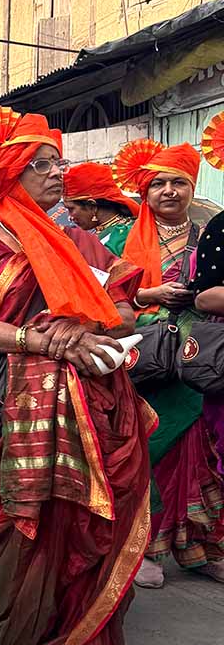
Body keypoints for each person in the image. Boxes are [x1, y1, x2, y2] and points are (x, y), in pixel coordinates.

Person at [0, 106, 149, 645]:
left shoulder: (82, 241)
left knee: (96, 533)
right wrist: (45, 341)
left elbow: (126, 308)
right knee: (20, 532)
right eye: (40, 166)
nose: (56, 173)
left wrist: (91, 323)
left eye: (57, 162)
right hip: (20, 412)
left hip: (97, 405)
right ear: (9, 174)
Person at [107, 139, 224, 588]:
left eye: (179, 182)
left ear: (193, 187)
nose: (170, 191)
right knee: (146, 452)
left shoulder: (209, 231)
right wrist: (146, 296)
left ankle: (200, 547)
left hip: (200, 357)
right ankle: (147, 550)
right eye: (159, 183)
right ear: (144, 191)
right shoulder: (117, 238)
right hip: (140, 355)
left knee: (201, 455)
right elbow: (99, 294)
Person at [62, 162, 139, 249]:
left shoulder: (124, 237)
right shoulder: (104, 233)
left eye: (71, 209)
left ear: (92, 206)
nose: (70, 217)